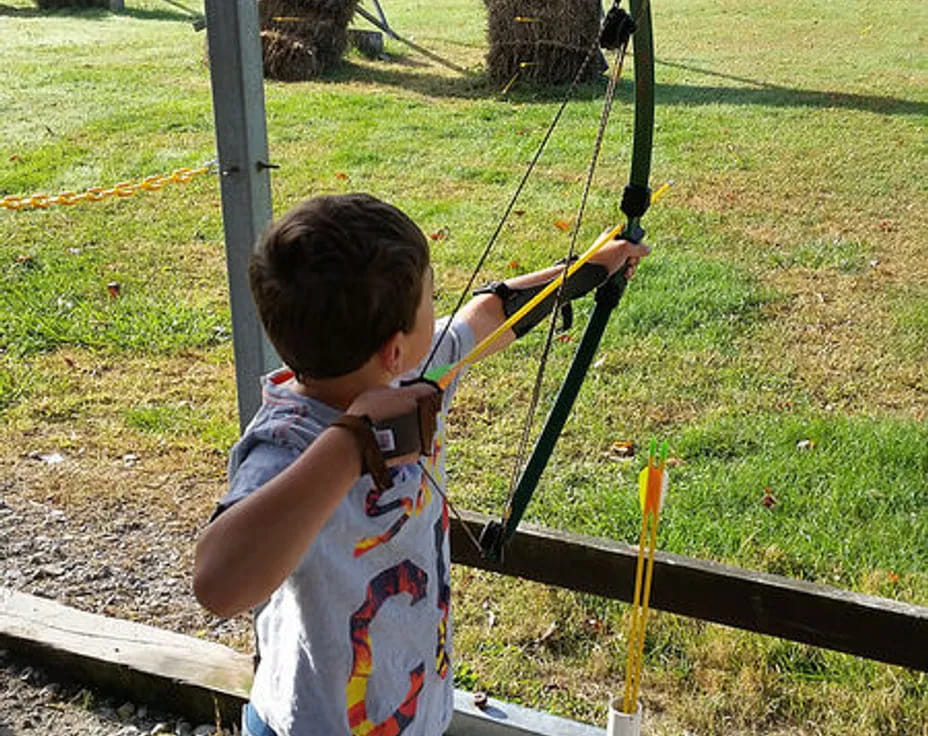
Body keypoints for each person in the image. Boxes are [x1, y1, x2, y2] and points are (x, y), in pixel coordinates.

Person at [193, 193, 650, 736]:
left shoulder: (411, 376)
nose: (440, 308)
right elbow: (218, 584)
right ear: (392, 351)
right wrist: (349, 443)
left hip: (413, 711)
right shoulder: (287, 443)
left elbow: (493, 313)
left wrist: (590, 270)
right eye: (432, 299)